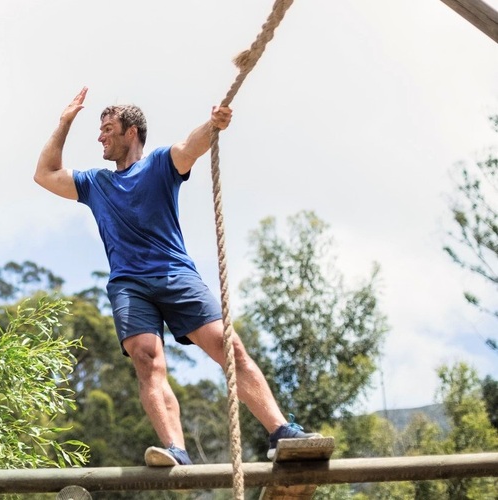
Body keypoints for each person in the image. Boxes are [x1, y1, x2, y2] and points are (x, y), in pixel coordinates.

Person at [33, 87, 320, 466]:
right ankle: (175, 449)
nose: (100, 136)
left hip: (174, 274)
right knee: (146, 358)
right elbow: (44, 174)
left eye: (107, 128)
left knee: (229, 347)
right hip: (129, 285)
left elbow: (191, 145)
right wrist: (64, 121)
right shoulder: (95, 183)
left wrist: (213, 123)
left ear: (131, 131)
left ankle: (281, 431)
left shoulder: (159, 164)